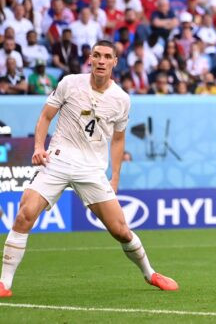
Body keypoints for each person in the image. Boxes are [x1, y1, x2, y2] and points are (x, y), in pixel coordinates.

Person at [0, 41, 178, 298]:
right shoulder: (70, 83)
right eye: (97, 55)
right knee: (24, 213)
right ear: (90, 59)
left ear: (115, 62)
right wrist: (39, 146)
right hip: (58, 160)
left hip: (92, 169)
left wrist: (115, 176)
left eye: (107, 56)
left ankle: (150, 273)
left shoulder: (121, 100)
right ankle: (4, 283)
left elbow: (118, 140)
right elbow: (45, 116)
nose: (101, 60)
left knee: (120, 230)